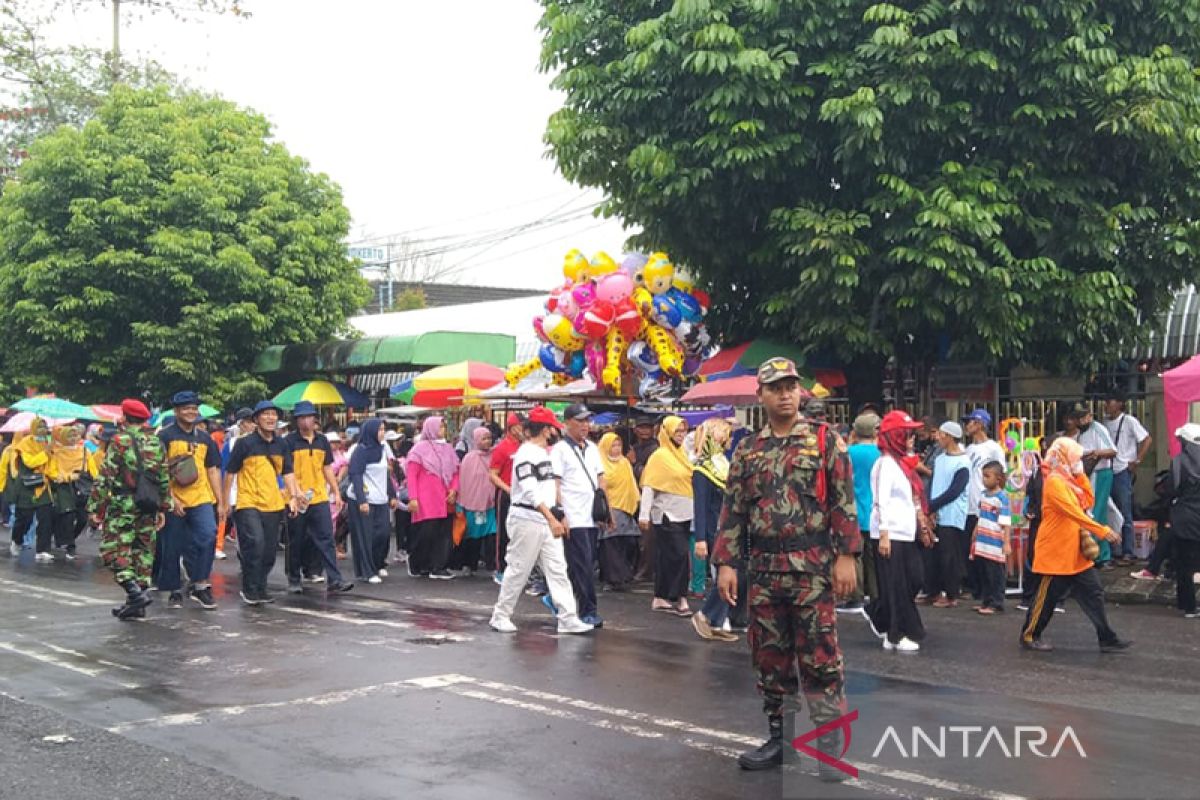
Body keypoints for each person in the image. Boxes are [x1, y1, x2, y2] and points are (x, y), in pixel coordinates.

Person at [714, 358, 859, 777]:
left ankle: (830, 746)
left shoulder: (824, 440)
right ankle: (781, 740)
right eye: (776, 387)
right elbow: (734, 509)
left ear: (800, 392)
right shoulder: (748, 449)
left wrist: (847, 555)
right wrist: (726, 563)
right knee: (770, 657)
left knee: (820, 658)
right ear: (760, 395)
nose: (785, 394)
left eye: (791, 386)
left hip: (812, 568)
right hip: (763, 570)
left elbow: (843, 500)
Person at [489, 406, 594, 635]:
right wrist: (552, 517)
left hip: (543, 518)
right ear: (546, 430)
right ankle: (501, 614)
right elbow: (530, 491)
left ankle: (567, 617)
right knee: (519, 568)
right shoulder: (527, 453)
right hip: (527, 518)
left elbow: (546, 490)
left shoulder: (539, 453)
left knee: (558, 569)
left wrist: (558, 514)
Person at [1020, 438, 1131, 653]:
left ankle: (1106, 637)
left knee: (1095, 593)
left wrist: (1080, 474)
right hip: (1055, 551)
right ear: (1064, 456)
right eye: (1076, 457)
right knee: (1046, 600)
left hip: (1074, 551)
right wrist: (1103, 531)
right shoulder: (1054, 482)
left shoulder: (1068, 479)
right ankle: (1029, 635)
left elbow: (1088, 501)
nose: (1078, 460)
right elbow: (1074, 512)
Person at [88, 399, 171, 620]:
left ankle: (134, 594)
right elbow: (163, 478)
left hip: (123, 503)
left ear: (125, 418)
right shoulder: (156, 443)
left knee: (112, 551)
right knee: (142, 552)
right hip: (148, 504)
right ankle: (136, 605)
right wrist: (163, 508)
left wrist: (95, 508)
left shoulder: (119, 441)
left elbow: (105, 477)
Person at [223, 401, 299, 606]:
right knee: (254, 544)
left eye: (273, 414)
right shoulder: (244, 443)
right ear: (256, 420)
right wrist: (225, 502)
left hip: (273, 503)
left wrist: (293, 497)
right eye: (265, 414)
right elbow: (230, 473)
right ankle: (250, 588)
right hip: (248, 502)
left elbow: (288, 473)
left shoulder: (282, 444)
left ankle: (261, 586)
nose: (270, 418)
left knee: (269, 550)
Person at [865, 410, 928, 653]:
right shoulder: (884, 464)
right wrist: (883, 534)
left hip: (906, 532)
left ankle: (878, 613)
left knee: (915, 578)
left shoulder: (903, 463)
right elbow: (880, 500)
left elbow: (912, 497)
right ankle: (895, 633)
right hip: (890, 534)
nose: (912, 439)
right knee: (896, 585)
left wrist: (921, 524)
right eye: (908, 434)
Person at [156, 391, 223, 610]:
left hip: (201, 497)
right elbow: (158, 471)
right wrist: (171, 499)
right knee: (172, 546)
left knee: (208, 535)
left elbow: (212, 470)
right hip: (174, 499)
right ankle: (174, 589)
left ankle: (200, 584)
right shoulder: (165, 436)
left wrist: (220, 501)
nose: (191, 412)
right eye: (186, 408)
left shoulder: (205, 438)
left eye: (194, 408)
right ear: (176, 411)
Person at [284, 401, 352, 594]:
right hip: (296, 498)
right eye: (302, 418)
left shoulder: (322, 441)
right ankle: (294, 578)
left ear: (315, 419)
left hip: (319, 496)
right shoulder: (289, 441)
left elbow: (327, 467)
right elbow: (286, 471)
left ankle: (334, 579)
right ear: (297, 420)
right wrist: (296, 493)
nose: (306, 421)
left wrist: (336, 491)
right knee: (296, 540)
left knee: (326, 538)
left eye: (309, 417)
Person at [551, 403, 607, 628]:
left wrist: (606, 509)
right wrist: (560, 513)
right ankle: (587, 610)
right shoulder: (559, 450)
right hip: (573, 517)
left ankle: (562, 601)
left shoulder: (592, 448)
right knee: (581, 565)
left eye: (587, 421)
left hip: (590, 516)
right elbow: (555, 484)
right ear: (567, 423)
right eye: (580, 421)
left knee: (586, 564)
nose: (585, 425)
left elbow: (601, 479)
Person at [690, 418, 740, 643]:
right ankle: (708, 615)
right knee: (725, 575)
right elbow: (700, 505)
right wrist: (700, 538)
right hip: (713, 530)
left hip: (728, 529)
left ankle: (718, 619)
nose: (730, 440)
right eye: (727, 435)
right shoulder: (703, 469)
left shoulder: (723, 464)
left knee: (736, 574)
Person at [640, 415, 695, 616]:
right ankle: (681, 598)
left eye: (683, 431)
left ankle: (660, 597)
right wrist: (644, 515)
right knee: (681, 555)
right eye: (677, 431)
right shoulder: (659, 456)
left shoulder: (683, 455)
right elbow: (649, 486)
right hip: (666, 514)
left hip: (684, 513)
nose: (681, 435)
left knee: (665, 557)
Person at [345, 418, 398, 584]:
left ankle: (376, 564)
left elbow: (385, 475)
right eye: (380, 430)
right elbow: (356, 475)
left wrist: (392, 495)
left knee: (382, 534)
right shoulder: (361, 450)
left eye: (383, 429)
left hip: (380, 498)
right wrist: (362, 500)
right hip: (363, 499)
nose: (382, 433)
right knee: (364, 537)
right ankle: (367, 571)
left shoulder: (382, 449)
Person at [405, 416, 459, 580]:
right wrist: (413, 497)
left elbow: (456, 471)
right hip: (426, 498)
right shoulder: (418, 450)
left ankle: (439, 566)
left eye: (443, 427)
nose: (442, 430)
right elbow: (412, 475)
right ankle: (418, 564)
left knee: (443, 533)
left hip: (444, 497)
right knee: (426, 532)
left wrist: (454, 489)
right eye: (440, 427)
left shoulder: (448, 448)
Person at [1067, 402, 1118, 569]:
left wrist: (1094, 453)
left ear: (1089, 416)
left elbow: (1112, 451)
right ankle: (1100, 554)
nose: (1080, 420)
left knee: (1094, 513)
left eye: (1083, 417)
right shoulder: (1080, 434)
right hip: (1088, 475)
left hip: (1101, 474)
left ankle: (1098, 555)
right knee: (1096, 513)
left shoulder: (1098, 429)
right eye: (1077, 418)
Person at [1104, 393, 1152, 565]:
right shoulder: (1104, 423)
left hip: (1123, 470)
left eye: (1110, 401)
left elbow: (1147, 439)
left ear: (1119, 403)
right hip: (1108, 470)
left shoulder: (1129, 421)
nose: (1107, 404)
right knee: (1109, 511)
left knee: (1125, 511)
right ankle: (1113, 549)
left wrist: (1137, 460)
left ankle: (1128, 552)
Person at [926, 421, 970, 607]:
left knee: (949, 556)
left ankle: (952, 594)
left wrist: (933, 505)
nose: (939, 438)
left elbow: (955, 490)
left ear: (951, 437)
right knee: (933, 555)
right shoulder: (940, 459)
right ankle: (933, 590)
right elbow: (934, 484)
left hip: (952, 514)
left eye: (942, 434)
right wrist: (930, 507)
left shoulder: (963, 461)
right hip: (936, 511)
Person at [963, 409, 1005, 598]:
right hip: (970, 504)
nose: (967, 426)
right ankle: (976, 589)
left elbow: (1001, 473)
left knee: (988, 551)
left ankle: (991, 593)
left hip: (987, 504)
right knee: (973, 550)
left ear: (979, 423)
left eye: (970, 422)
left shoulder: (993, 448)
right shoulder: (968, 449)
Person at [597, 432, 641, 591]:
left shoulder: (624, 463)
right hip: (610, 506)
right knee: (610, 544)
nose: (616, 449)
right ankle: (613, 579)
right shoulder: (599, 464)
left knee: (627, 542)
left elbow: (632, 484)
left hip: (626, 508)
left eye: (618, 445)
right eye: (613, 446)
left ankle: (624, 576)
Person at [449, 426, 497, 575]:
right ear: (476, 440)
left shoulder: (494, 456)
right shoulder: (469, 458)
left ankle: (492, 565)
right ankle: (469, 564)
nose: (487, 441)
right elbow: (464, 481)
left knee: (491, 534)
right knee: (472, 535)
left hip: (490, 503)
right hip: (472, 504)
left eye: (489, 438)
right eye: (484, 438)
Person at [846, 413, 881, 611]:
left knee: (855, 556)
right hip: (875, 513)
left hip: (854, 511)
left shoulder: (849, 452)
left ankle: (856, 595)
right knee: (873, 557)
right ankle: (875, 594)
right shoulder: (880, 453)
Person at [47, 424, 96, 561]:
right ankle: (70, 546)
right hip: (64, 488)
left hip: (81, 488)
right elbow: (52, 471)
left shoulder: (85, 451)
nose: (73, 438)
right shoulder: (57, 453)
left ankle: (67, 539)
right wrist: (65, 476)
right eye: (69, 435)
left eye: (75, 435)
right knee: (68, 517)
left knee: (82, 519)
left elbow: (93, 470)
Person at [1166, 424, 1200, 618]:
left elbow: (1172, 489)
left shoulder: (1179, 462)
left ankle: (1187, 605)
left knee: (1183, 564)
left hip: (1185, 519)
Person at [9, 417, 54, 561]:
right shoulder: (25, 443)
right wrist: (45, 453)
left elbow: (54, 463)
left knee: (46, 518)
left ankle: (42, 550)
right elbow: (30, 462)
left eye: (44, 426)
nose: (43, 429)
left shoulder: (48, 443)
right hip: (27, 486)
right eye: (40, 426)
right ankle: (17, 540)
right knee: (25, 519)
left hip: (43, 486)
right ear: (33, 428)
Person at [488, 412, 525, 582]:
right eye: (520, 426)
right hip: (506, 494)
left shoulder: (525, 446)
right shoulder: (502, 448)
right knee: (503, 533)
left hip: (523, 494)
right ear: (512, 427)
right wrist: (508, 489)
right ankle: (500, 568)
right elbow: (493, 474)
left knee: (520, 534)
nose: (523, 429)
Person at [971, 462, 1012, 615]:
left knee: (996, 574)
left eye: (988, 476)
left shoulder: (1002, 498)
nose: (984, 479)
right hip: (983, 541)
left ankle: (997, 602)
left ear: (998, 479)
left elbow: (1006, 523)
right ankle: (986, 600)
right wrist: (975, 532)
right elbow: (980, 516)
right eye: (983, 475)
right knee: (985, 573)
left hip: (995, 542)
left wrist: (1006, 542)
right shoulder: (983, 495)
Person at [631, 414, 659, 582]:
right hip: (635, 496)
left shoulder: (655, 449)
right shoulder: (635, 447)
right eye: (641, 427)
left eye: (648, 427)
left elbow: (649, 474)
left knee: (647, 537)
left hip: (649, 495)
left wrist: (634, 464)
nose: (645, 431)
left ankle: (646, 570)